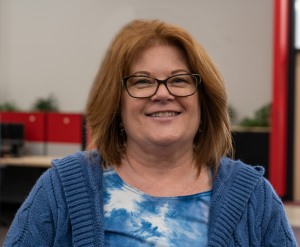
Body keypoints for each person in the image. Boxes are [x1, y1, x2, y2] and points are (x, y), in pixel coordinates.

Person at [4, 20, 297, 247]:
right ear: (115, 104)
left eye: (179, 80)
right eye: (142, 82)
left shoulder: (253, 197)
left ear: (203, 100)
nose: (163, 94)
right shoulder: (62, 189)